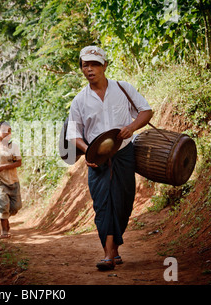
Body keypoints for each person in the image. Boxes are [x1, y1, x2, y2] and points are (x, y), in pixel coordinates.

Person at [66, 46, 153, 271]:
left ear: (105, 66)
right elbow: (73, 134)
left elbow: (146, 111)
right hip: (97, 159)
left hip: (124, 152)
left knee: (123, 201)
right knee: (103, 203)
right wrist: (88, 150)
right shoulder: (79, 101)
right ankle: (108, 253)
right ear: (81, 68)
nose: (90, 69)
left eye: (95, 64)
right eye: (86, 65)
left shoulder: (123, 89)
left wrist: (132, 127)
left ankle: (114, 249)